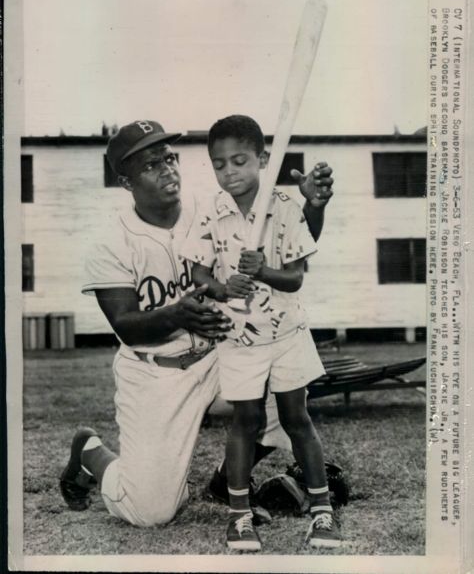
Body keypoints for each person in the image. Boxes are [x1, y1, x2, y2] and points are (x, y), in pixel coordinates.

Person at [59, 119, 335, 530]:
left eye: (170, 157)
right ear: (125, 181)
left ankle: (228, 480)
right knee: (151, 512)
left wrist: (314, 207)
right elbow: (126, 326)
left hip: (219, 356)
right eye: (151, 164)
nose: (167, 168)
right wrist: (177, 314)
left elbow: (288, 244)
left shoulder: (216, 208)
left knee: (286, 399)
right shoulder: (110, 243)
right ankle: (92, 453)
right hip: (157, 373)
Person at [182, 115, 341, 551]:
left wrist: (263, 271)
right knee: (246, 421)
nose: (229, 171)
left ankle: (322, 510)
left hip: (287, 332)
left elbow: (295, 279)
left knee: (296, 418)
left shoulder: (285, 207)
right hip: (239, 338)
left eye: (239, 160)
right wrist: (221, 286)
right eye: (219, 164)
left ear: (262, 160)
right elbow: (198, 273)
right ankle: (239, 516)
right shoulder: (210, 212)